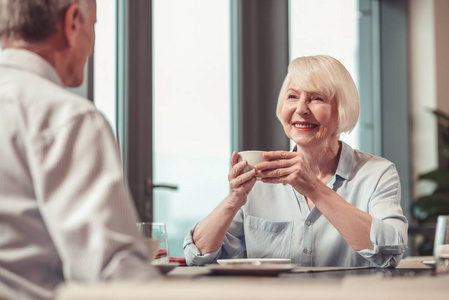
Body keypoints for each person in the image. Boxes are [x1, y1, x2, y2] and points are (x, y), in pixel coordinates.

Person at [184, 55, 408, 268]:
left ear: (342, 111)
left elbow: (390, 252)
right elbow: (197, 255)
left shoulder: (378, 173)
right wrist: (233, 199)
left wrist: (314, 188)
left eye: (316, 98)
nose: (300, 109)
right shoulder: (260, 178)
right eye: (293, 97)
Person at [0, 1, 159, 299]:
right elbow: (114, 275)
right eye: (94, 26)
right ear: (72, 22)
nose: (93, 47)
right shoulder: (67, 118)